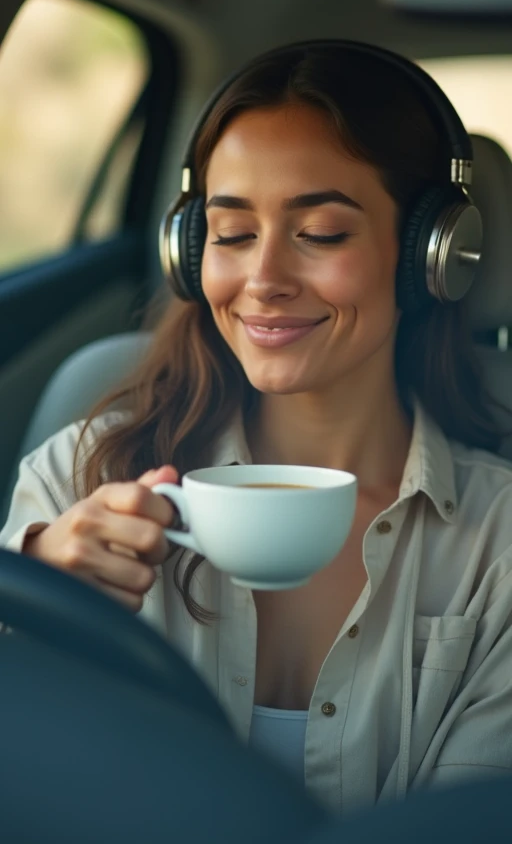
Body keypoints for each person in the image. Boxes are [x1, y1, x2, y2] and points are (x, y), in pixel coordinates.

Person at [2, 40, 512, 817]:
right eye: (233, 234)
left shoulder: (499, 544)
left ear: (432, 257)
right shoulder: (79, 475)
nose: (264, 281)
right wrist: (29, 601)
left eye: (322, 233)